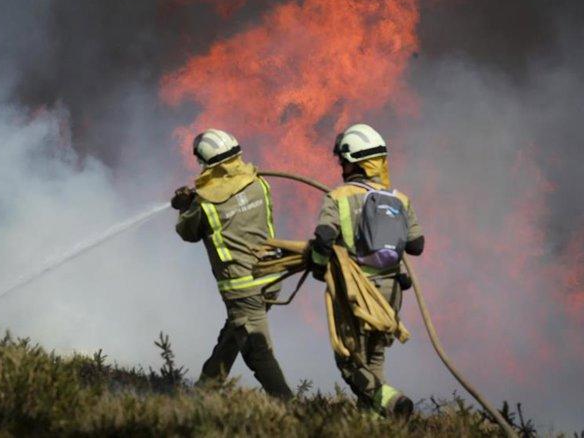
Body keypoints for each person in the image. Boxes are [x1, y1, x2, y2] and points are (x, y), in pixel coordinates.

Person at [307, 123, 425, 417]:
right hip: (390, 294)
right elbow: (417, 245)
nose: (341, 167)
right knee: (373, 357)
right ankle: (373, 423)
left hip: (355, 295)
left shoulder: (338, 197)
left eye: (343, 161)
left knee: (349, 362)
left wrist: (319, 268)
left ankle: (392, 402)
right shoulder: (400, 199)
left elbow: (323, 238)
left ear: (352, 162)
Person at [171, 128, 292, 400]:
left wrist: (184, 206)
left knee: (255, 351)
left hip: (242, 286)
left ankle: (293, 410)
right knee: (233, 336)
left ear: (208, 165)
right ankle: (205, 391)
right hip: (271, 279)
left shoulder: (206, 205)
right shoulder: (259, 184)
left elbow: (187, 232)